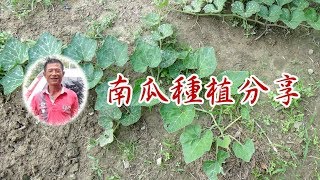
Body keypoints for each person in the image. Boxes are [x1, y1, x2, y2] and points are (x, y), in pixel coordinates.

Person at [30, 58, 79, 126]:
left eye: (57, 70)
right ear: (44, 74)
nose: (54, 74)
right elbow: (32, 118)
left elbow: (76, 118)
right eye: (50, 71)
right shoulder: (36, 97)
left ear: (63, 74)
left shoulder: (72, 95)